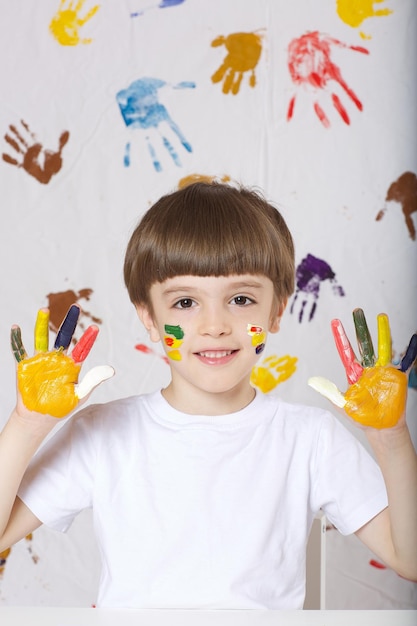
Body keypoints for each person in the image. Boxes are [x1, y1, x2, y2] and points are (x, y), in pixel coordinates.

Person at [0, 181, 416, 609]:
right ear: (149, 316)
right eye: (184, 303)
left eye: (240, 298)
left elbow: (410, 559)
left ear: (277, 310)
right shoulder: (102, 433)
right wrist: (27, 422)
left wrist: (392, 437)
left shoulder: (310, 438)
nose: (214, 324)